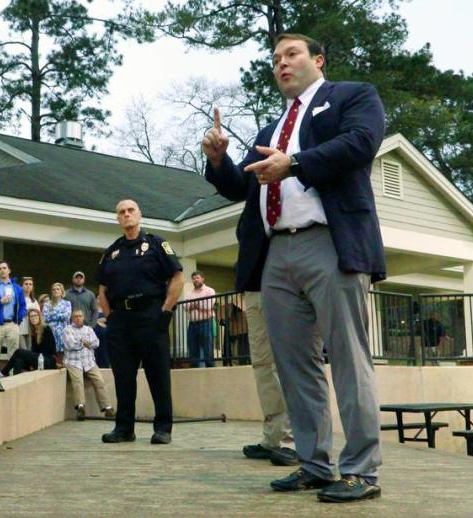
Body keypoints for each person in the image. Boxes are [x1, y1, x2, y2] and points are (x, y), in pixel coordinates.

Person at [202, 33, 386, 502]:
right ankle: (315, 464)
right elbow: (241, 187)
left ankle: (362, 471)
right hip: (275, 253)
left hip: (330, 242)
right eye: (275, 59)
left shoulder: (350, 96)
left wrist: (296, 164)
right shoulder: (271, 129)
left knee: (348, 358)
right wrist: (220, 160)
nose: (281, 63)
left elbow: (361, 144)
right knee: (295, 366)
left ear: (318, 60)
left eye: (292, 54)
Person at [97, 199, 184, 445]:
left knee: (158, 374)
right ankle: (124, 429)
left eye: (130, 210)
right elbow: (102, 289)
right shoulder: (111, 252)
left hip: (150, 317)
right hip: (121, 321)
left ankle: (163, 428)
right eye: (121, 212)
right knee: (123, 377)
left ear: (139, 215)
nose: (126, 215)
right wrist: (110, 317)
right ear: (118, 219)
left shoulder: (157, 245)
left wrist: (165, 311)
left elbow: (177, 277)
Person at [239, 292, 298, 467]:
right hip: (251, 287)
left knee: (283, 363)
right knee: (262, 365)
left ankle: (294, 441)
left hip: (277, 283)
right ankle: (273, 438)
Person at [63, 309, 114, 420]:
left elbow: (96, 343)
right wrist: (85, 343)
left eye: (80, 316)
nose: (78, 318)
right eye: (75, 316)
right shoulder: (68, 329)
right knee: (78, 381)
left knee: (99, 380)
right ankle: (80, 408)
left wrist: (83, 342)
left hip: (89, 361)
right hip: (73, 361)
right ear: (72, 318)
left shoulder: (89, 329)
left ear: (83, 317)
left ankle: (107, 408)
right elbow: (71, 345)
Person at [0, 260, 26, 379]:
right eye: (0, 269)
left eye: (4, 268)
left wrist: (19, 319)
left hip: (12, 323)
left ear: (9, 270)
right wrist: (0, 302)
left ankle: (12, 377)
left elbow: (23, 306)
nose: (2, 270)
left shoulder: (17, 288)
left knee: (13, 353)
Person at [1, 308, 56, 376]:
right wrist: (32, 359)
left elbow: (50, 349)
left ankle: (3, 372)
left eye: (35, 315)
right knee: (19, 361)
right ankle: (16, 381)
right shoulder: (33, 331)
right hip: (38, 358)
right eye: (31, 316)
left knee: (19, 352)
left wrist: (32, 358)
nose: (33, 318)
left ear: (39, 316)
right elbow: (34, 350)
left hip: (47, 360)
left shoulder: (46, 328)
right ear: (29, 319)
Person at [184, 271, 216, 368]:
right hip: (192, 323)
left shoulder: (209, 291)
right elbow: (185, 307)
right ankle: (194, 370)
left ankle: (210, 370)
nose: (196, 280)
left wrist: (194, 305)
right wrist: (198, 305)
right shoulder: (189, 293)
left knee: (207, 348)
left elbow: (208, 305)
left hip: (205, 322)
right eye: (194, 278)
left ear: (202, 278)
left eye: (197, 278)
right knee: (192, 348)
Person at [43, 282, 71, 356]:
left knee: (63, 353)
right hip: (50, 330)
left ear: (62, 292)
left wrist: (52, 314)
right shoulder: (47, 304)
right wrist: (59, 315)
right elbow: (45, 317)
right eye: (53, 289)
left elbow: (66, 316)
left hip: (63, 330)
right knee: (51, 352)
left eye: (58, 289)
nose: (55, 291)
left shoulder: (67, 303)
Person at [19, 277, 39, 350]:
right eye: (26, 284)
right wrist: (27, 311)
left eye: (30, 284)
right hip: (20, 329)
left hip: (31, 330)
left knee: (30, 350)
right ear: (22, 286)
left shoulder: (34, 301)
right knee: (24, 350)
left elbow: (38, 315)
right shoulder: (18, 299)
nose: (28, 286)